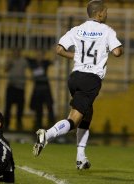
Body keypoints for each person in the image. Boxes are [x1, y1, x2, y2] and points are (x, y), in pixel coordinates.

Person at [33, 0, 123, 170]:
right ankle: (47, 135)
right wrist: (116, 49)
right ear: (100, 13)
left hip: (75, 77)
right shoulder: (107, 31)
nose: (107, 14)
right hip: (91, 80)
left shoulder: (76, 29)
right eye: (106, 11)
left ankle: (81, 158)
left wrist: (76, 57)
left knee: (87, 113)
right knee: (74, 120)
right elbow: (117, 52)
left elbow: (59, 49)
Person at [26, 50, 55, 131]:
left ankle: (51, 124)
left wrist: (54, 51)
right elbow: (25, 57)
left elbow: (53, 60)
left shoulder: (45, 62)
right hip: (38, 88)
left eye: (41, 55)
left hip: (45, 87)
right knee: (39, 108)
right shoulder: (33, 62)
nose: (39, 56)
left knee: (49, 106)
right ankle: (39, 125)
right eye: (38, 55)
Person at [4, 49, 28, 131]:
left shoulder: (23, 61)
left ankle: (19, 125)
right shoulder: (11, 60)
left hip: (20, 87)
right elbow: (5, 69)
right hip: (11, 87)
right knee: (8, 108)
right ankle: (6, 125)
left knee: (20, 108)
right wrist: (9, 62)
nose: (16, 53)